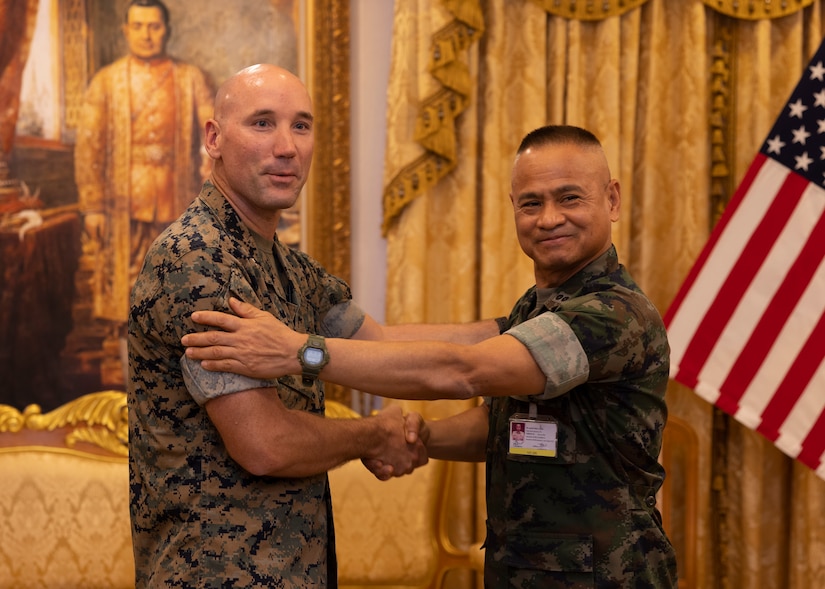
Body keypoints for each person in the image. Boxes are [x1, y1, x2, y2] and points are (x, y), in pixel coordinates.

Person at [182, 125, 679, 587]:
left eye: (569, 198)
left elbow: (465, 370)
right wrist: (418, 437)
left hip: (607, 575)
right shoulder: (539, 308)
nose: (549, 218)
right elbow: (505, 423)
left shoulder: (612, 314)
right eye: (531, 203)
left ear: (611, 199)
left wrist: (298, 352)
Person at [128, 63, 426, 588]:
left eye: (302, 125)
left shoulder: (282, 264)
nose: (287, 147)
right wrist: (373, 434)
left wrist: (518, 330)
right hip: (216, 573)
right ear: (214, 138)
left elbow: (383, 347)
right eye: (263, 123)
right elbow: (264, 444)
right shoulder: (195, 258)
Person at [75, 0, 214, 385]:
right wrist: (94, 206)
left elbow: (212, 139)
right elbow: (89, 147)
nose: (147, 34)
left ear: (165, 30)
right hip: (124, 208)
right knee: (127, 296)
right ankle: (127, 385)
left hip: (177, 206)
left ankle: (174, 389)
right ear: (126, 30)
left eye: (154, 26)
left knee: (178, 295)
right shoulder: (106, 82)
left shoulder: (190, 78)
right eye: (139, 26)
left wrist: (205, 195)